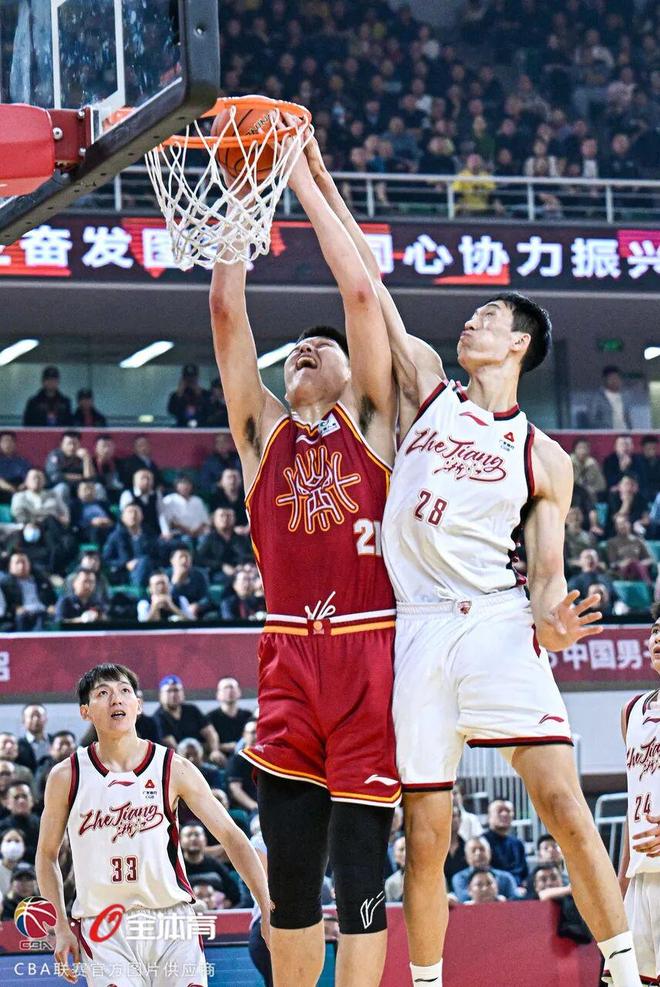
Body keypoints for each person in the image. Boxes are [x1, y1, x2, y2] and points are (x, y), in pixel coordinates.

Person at [303, 137, 642, 986]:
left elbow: (548, 573)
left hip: (495, 620)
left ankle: (624, 967)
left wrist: (553, 619)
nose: (471, 323)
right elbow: (366, 283)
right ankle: (427, 981)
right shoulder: (426, 387)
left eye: (488, 316)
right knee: (425, 838)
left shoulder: (544, 455)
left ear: (518, 342)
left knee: (563, 804)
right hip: (418, 629)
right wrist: (313, 174)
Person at [210, 140, 399, 987]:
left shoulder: (374, 424)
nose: (303, 352)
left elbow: (358, 293)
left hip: (368, 655)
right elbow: (227, 317)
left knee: (360, 876)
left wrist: (296, 176)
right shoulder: (263, 439)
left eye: (322, 348)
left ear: (355, 371)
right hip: (288, 658)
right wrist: (238, 206)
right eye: (294, 352)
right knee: (289, 880)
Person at [35, 662, 270, 986]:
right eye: (103, 693)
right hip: (104, 926)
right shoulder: (66, 775)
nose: (116, 699)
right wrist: (60, 924)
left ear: (139, 705)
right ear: (85, 712)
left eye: (124, 691)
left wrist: (266, 907)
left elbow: (232, 836)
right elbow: (47, 855)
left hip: (172, 921)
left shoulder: (173, 767)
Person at [615, 605, 660, 986]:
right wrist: (621, 879)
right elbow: (634, 797)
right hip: (642, 873)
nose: (658, 638)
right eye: (655, 630)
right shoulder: (632, 710)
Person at [153, 674, 223, 762]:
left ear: (182, 693)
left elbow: (210, 732)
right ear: (161, 695)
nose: (173, 694)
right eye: (169, 691)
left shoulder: (192, 710)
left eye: (176, 690)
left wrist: (215, 751)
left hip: (201, 756)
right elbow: (171, 744)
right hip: (177, 760)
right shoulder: (158, 717)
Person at [179, 823, 241, 906]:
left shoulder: (215, 864)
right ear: (180, 841)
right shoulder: (176, 867)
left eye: (197, 835)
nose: (193, 838)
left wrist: (220, 906)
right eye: (189, 835)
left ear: (205, 840)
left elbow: (234, 894)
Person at [102, 502, 157, 586]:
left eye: (136, 512)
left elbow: (157, 554)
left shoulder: (149, 534)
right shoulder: (116, 536)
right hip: (127, 574)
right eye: (130, 512)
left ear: (142, 516)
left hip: (150, 570)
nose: (133, 515)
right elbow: (106, 560)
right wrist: (125, 564)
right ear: (122, 517)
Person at [452, 835, 519, 902]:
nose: (478, 853)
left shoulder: (506, 878)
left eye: (482, 849)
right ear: (466, 857)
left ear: (490, 852)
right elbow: (464, 900)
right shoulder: (459, 878)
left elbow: (515, 902)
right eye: (473, 850)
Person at [0, 551, 56, 631]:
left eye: (24, 562)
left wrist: (51, 606)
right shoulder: (5, 584)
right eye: (17, 563)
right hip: (23, 615)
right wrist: (15, 609)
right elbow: (5, 606)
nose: (21, 566)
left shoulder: (41, 580)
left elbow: (52, 598)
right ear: (10, 566)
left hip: (43, 612)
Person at [196, 507, 253, 584]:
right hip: (218, 573)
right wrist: (222, 566)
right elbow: (199, 559)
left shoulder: (240, 538)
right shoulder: (209, 539)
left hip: (241, 571)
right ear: (214, 519)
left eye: (229, 516)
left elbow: (250, 555)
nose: (225, 518)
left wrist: (242, 564)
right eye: (222, 515)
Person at [483, 800, 528, 888]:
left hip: (519, 889)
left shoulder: (518, 843)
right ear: (489, 816)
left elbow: (524, 874)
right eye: (499, 811)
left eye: (508, 811)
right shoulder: (482, 843)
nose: (504, 814)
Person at [207, 678, 254, 759]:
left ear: (239, 692)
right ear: (218, 694)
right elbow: (204, 744)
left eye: (232, 687)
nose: (229, 691)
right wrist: (222, 747)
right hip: (220, 759)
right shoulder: (210, 718)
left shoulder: (248, 716)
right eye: (225, 688)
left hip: (245, 757)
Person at [44, 431, 95, 503]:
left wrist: (86, 459)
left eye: (75, 444)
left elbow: (90, 479)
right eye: (69, 443)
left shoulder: (82, 456)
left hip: (78, 489)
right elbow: (55, 477)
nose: (72, 447)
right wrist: (80, 477)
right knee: (62, 488)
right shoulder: (55, 455)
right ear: (62, 444)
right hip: (57, 488)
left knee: (97, 487)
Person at [118, 467, 168, 541]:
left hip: (154, 531)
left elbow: (161, 514)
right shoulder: (128, 494)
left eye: (149, 479)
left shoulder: (156, 494)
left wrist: (165, 532)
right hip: (135, 533)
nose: (146, 481)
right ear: (135, 481)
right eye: (143, 478)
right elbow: (126, 517)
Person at [162, 472, 210, 542]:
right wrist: (187, 530)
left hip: (198, 533)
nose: (185, 486)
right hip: (179, 534)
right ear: (176, 485)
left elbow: (205, 521)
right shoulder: (169, 499)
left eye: (188, 483)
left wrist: (196, 531)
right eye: (182, 483)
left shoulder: (197, 500)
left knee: (206, 539)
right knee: (186, 539)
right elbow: (170, 522)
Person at [226, 721, 259, 819]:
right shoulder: (236, 760)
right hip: (249, 810)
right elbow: (235, 790)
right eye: (253, 732)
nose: (256, 736)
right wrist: (255, 806)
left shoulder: (268, 759)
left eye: (259, 732)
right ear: (244, 735)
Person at [208, 467, 249, 534]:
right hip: (221, 531)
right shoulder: (215, 497)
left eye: (235, 477)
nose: (232, 481)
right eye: (229, 478)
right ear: (221, 482)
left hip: (246, 530)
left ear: (241, 480)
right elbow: (212, 519)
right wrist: (232, 530)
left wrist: (247, 528)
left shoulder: (247, 495)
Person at [167, 363, 210, 427]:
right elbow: (171, 411)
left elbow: (209, 411)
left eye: (192, 377)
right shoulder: (176, 395)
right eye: (187, 377)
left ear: (197, 377)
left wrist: (199, 394)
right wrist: (179, 394)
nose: (190, 380)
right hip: (182, 426)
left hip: (201, 427)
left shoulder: (205, 394)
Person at [570, 438, 606, 504]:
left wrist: (592, 489)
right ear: (574, 450)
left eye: (585, 448)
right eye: (579, 448)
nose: (582, 451)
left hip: (590, 495)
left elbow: (601, 485)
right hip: (573, 495)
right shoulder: (569, 463)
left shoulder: (592, 463)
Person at [0, 431, 30, 503]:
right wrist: (11, 488)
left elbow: (29, 477)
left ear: (15, 444)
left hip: (20, 488)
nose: (8, 444)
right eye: (5, 441)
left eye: (11, 441)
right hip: (3, 488)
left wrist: (23, 486)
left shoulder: (22, 461)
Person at [19, 703, 50, 771]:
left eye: (39, 716)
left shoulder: (55, 742)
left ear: (46, 719)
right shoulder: (18, 745)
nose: (35, 719)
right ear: (23, 720)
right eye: (32, 716)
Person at [0, 827, 27, 898]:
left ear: (24, 847)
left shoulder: (28, 871)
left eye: (17, 841)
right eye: (8, 841)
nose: (13, 845)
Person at [385, 836, 406, 901]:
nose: (405, 853)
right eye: (401, 849)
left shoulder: (427, 879)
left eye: (410, 849)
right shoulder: (390, 882)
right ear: (394, 855)